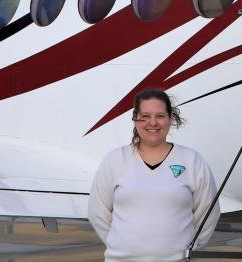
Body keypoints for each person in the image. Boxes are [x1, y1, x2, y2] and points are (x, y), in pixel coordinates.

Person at [88, 89, 219, 261]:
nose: (153, 123)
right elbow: (97, 212)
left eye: (160, 115)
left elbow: (208, 214)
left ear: (170, 118)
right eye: (145, 116)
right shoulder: (115, 159)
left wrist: (189, 250)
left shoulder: (192, 160)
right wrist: (120, 247)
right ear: (135, 118)